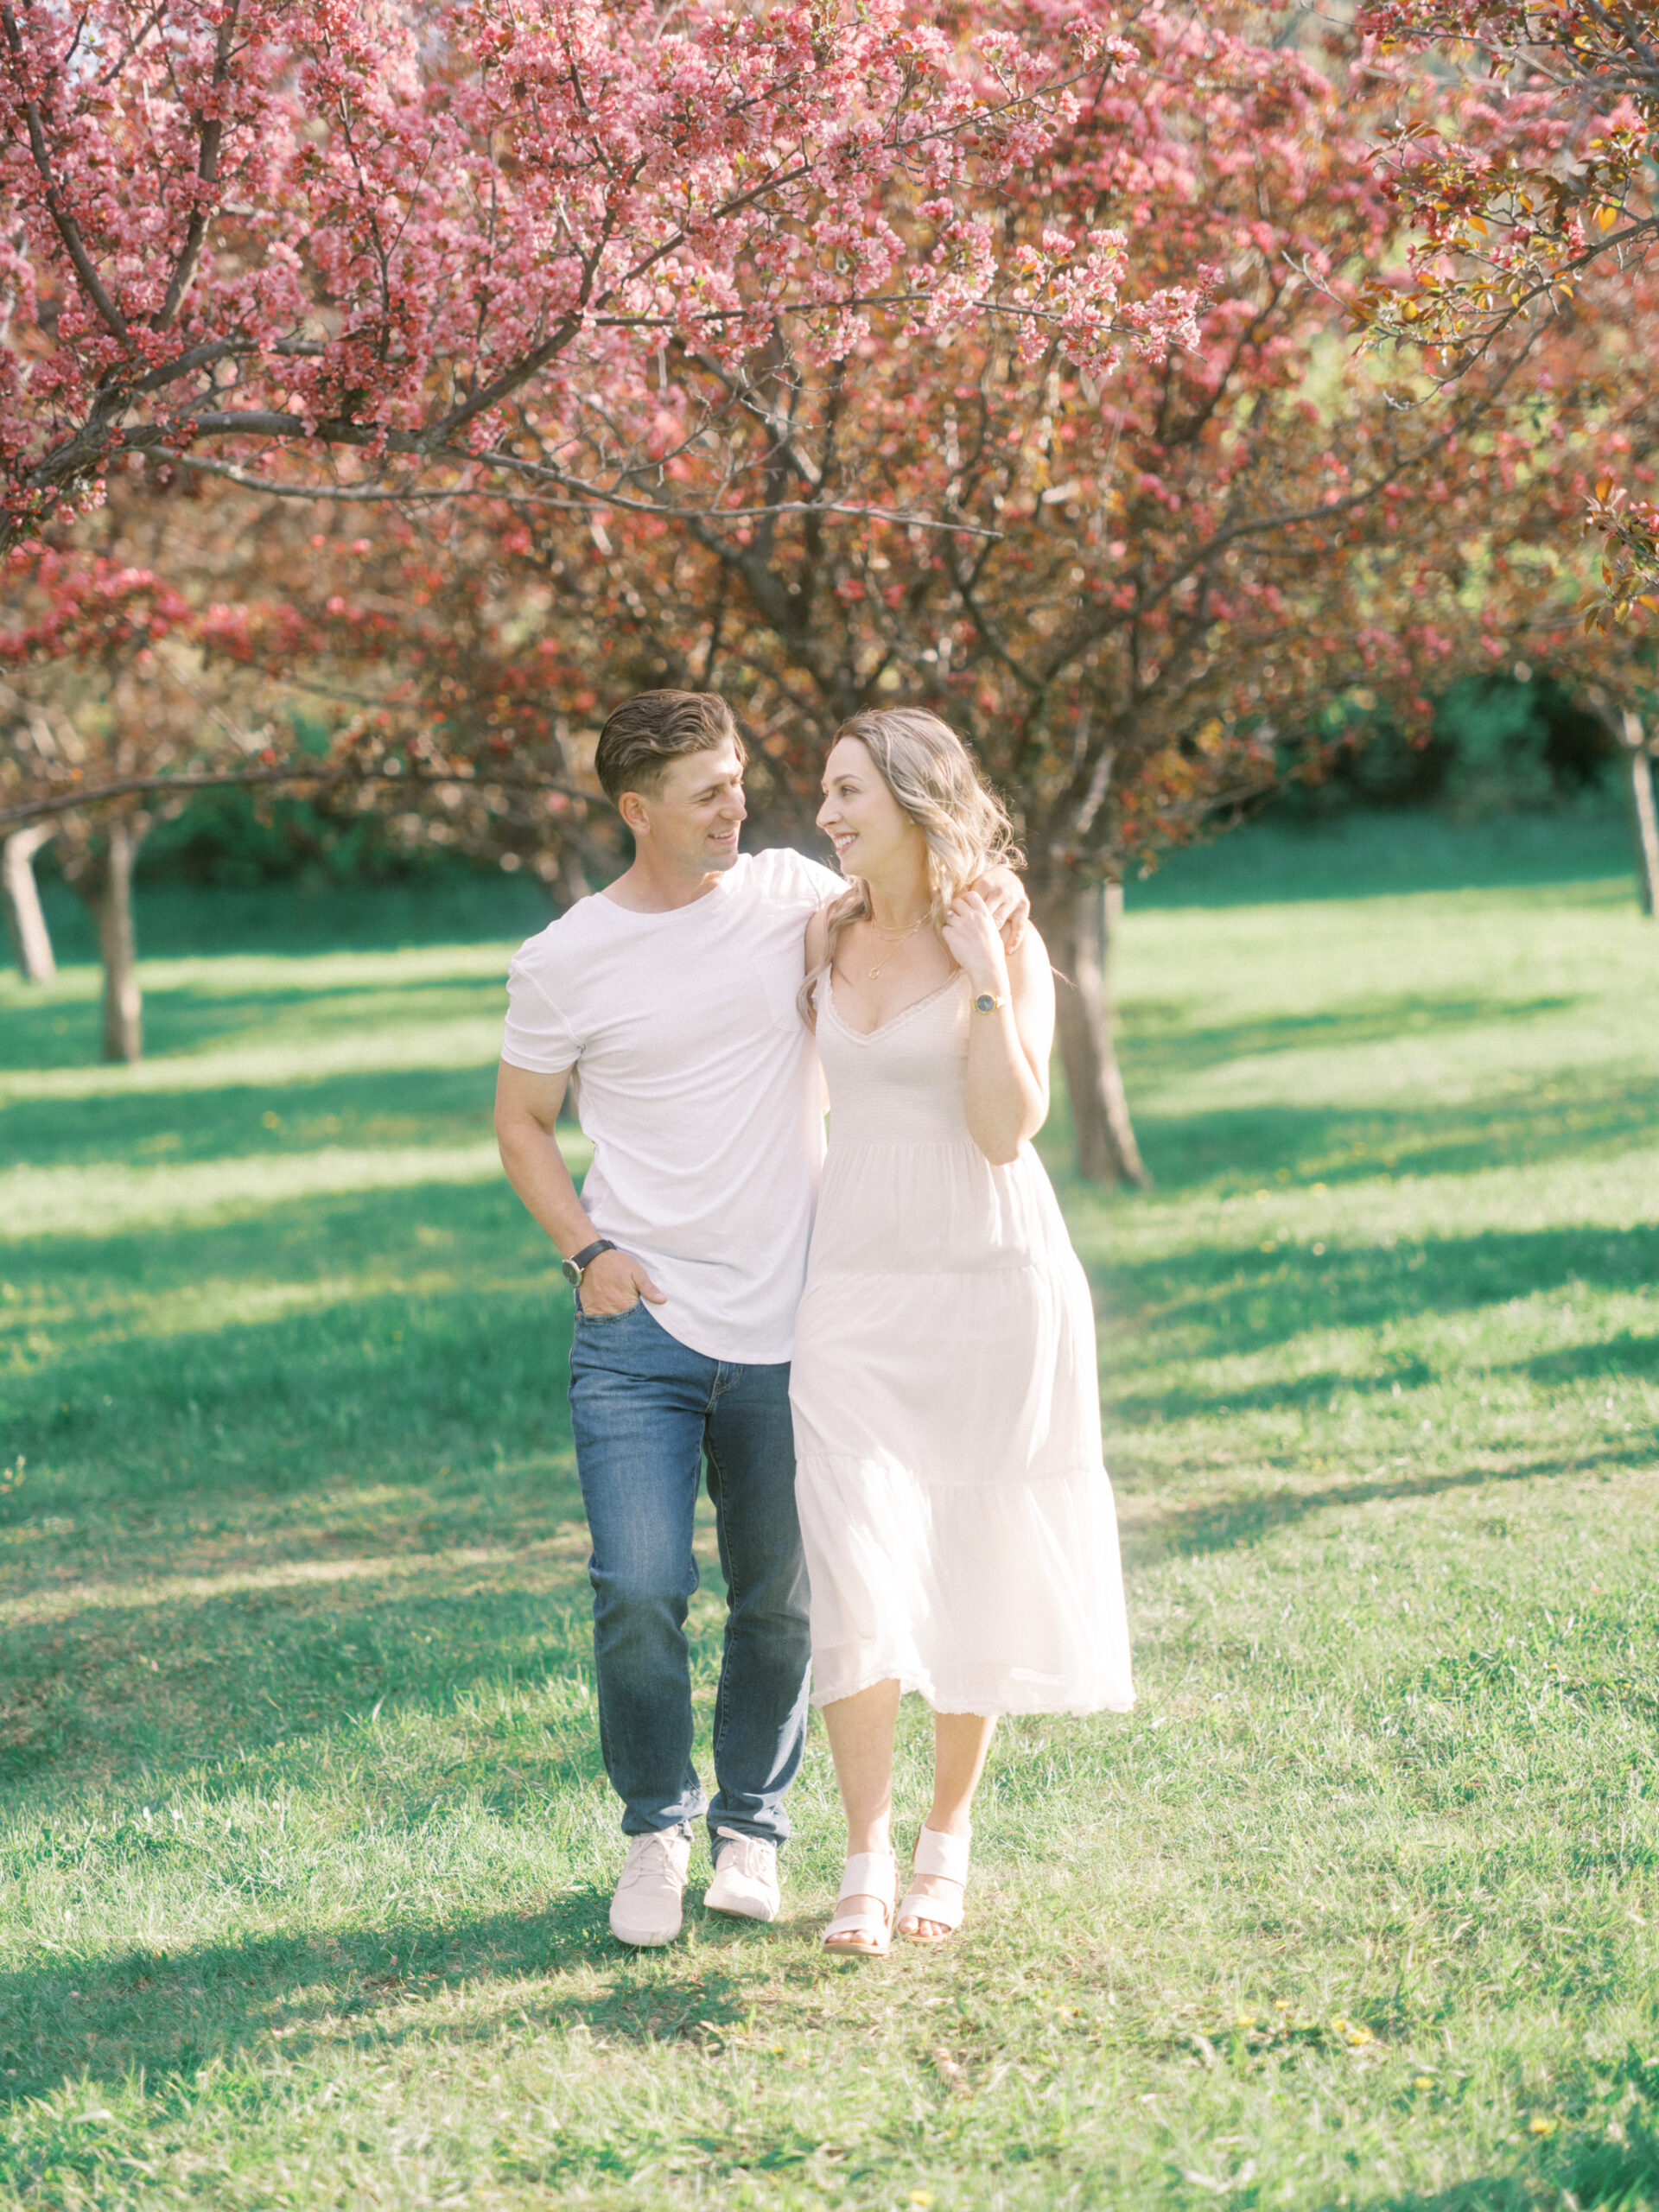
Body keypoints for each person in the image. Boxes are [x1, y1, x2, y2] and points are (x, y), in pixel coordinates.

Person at [493, 690, 1027, 1948]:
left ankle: (753, 1829)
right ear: (637, 810)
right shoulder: (564, 956)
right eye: (706, 791)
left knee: (785, 1600)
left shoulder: (796, 898)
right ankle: (653, 1830)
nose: (739, 804)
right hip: (641, 1329)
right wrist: (587, 1252)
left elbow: (917, 889)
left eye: (738, 780)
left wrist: (995, 912)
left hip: (797, 1319)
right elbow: (521, 1121)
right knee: (638, 1586)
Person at [789, 707, 1135, 1960]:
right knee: (857, 1559)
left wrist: (987, 973)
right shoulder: (819, 936)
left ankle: (945, 1843)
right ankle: (863, 1857)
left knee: (979, 1550)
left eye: (848, 794)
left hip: (993, 1282)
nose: (826, 816)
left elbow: (1006, 1129)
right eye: (823, 794)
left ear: (916, 801)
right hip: (853, 1295)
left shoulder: (1005, 938)